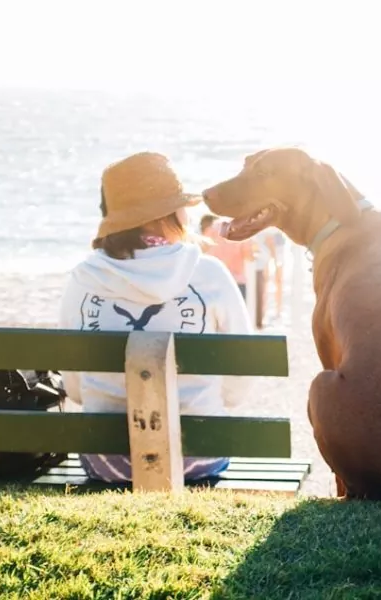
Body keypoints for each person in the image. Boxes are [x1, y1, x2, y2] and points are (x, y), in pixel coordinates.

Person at [58, 152, 253, 483]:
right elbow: (241, 378)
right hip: (199, 454)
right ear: (172, 213)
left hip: (107, 459)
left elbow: (74, 389)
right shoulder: (208, 273)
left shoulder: (84, 278)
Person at [201, 213, 255, 298]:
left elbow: (203, 249)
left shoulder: (213, 227)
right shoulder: (243, 228)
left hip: (215, 280)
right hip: (236, 282)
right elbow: (249, 256)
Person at [252, 227, 286, 328]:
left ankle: (277, 310)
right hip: (264, 236)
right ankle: (266, 310)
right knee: (265, 279)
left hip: (275, 236)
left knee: (277, 279)